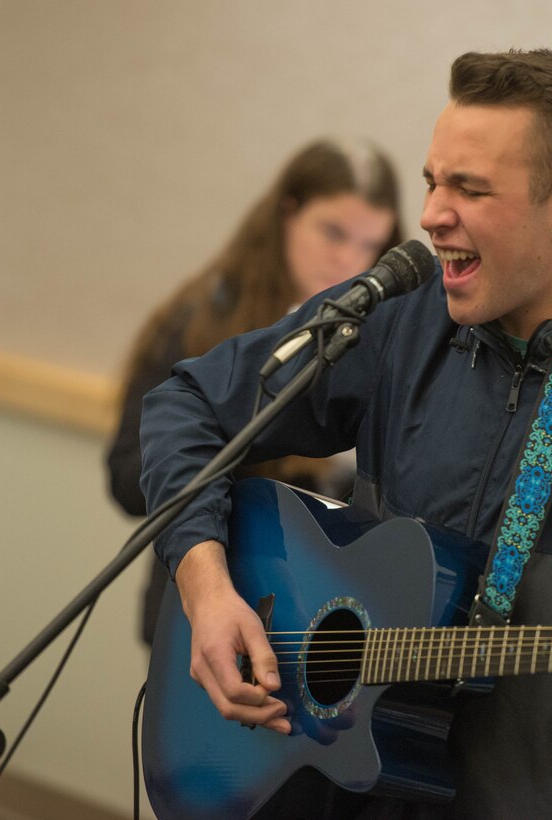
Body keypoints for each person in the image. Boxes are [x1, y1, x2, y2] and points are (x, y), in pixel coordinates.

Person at [138, 49, 552, 818]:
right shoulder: (398, 317)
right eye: (432, 182)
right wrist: (207, 592)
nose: (433, 214)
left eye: (469, 189)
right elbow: (186, 405)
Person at [107, 138, 402, 643]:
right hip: (202, 605)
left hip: (316, 617)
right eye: (333, 233)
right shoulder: (202, 321)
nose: (349, 259)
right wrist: (270, 450)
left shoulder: (386, 335)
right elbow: (129, 479)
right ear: (287, 212)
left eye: (370, 244)